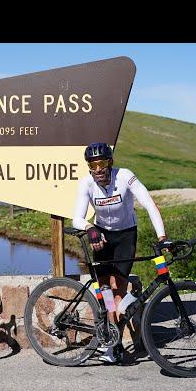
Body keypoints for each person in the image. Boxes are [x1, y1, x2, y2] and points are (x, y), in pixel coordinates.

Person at [72, 142, 167, 363]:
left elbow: (149, 204)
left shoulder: (125, 176)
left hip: (125, 235)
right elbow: (76, 217)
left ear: (110, 162)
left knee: (119, 290)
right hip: (102, 236)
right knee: (105, 289)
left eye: (102, 163)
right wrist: (90, 228)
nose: (98, 169)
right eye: (93, 165)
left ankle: (115, 335)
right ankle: (111, 345)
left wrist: (162, 236)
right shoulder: (86, 184)